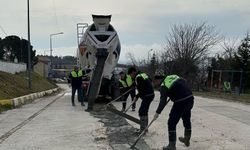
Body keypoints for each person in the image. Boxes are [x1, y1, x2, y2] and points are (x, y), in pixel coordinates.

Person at [153, 75, 194, 150]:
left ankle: (172, 145)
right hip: (190, 98)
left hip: (180, 101)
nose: (156, 85)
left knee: (171, 122)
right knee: (186, 118)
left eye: (155, 82)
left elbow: (163, 101)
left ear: (158, 80)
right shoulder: (173, 77)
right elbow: (184, 80)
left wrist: (157, 113)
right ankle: (187, 138)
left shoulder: (164, 85)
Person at [128, 67, 155, 134]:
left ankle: (142, 130)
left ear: (133, 72)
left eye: (130, 74)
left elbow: (142, 90)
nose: (131, 76)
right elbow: (147, 81)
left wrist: (136, 97)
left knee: (142, 111)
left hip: (147, 95)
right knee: (144, 111)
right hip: (150, 94)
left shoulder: (138, 77)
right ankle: (145, 129)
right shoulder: (142, 74)